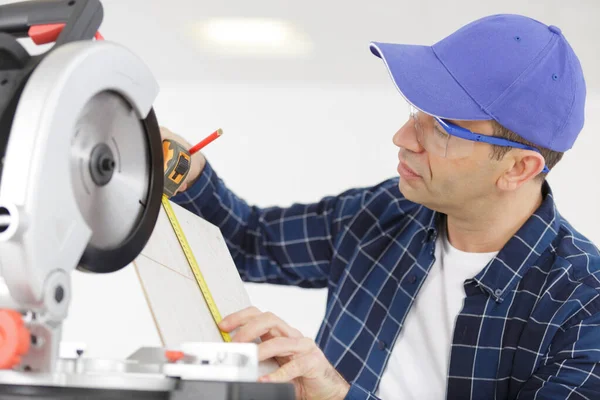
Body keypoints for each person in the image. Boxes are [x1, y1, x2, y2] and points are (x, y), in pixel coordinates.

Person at [161, 13, 600, 400]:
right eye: (417, 112)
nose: (403, 139)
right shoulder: (385, 211)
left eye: (443, 130)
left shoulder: (584, 307)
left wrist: (336, 395)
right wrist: (189, 168)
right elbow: (246, 240)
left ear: (520, 168)